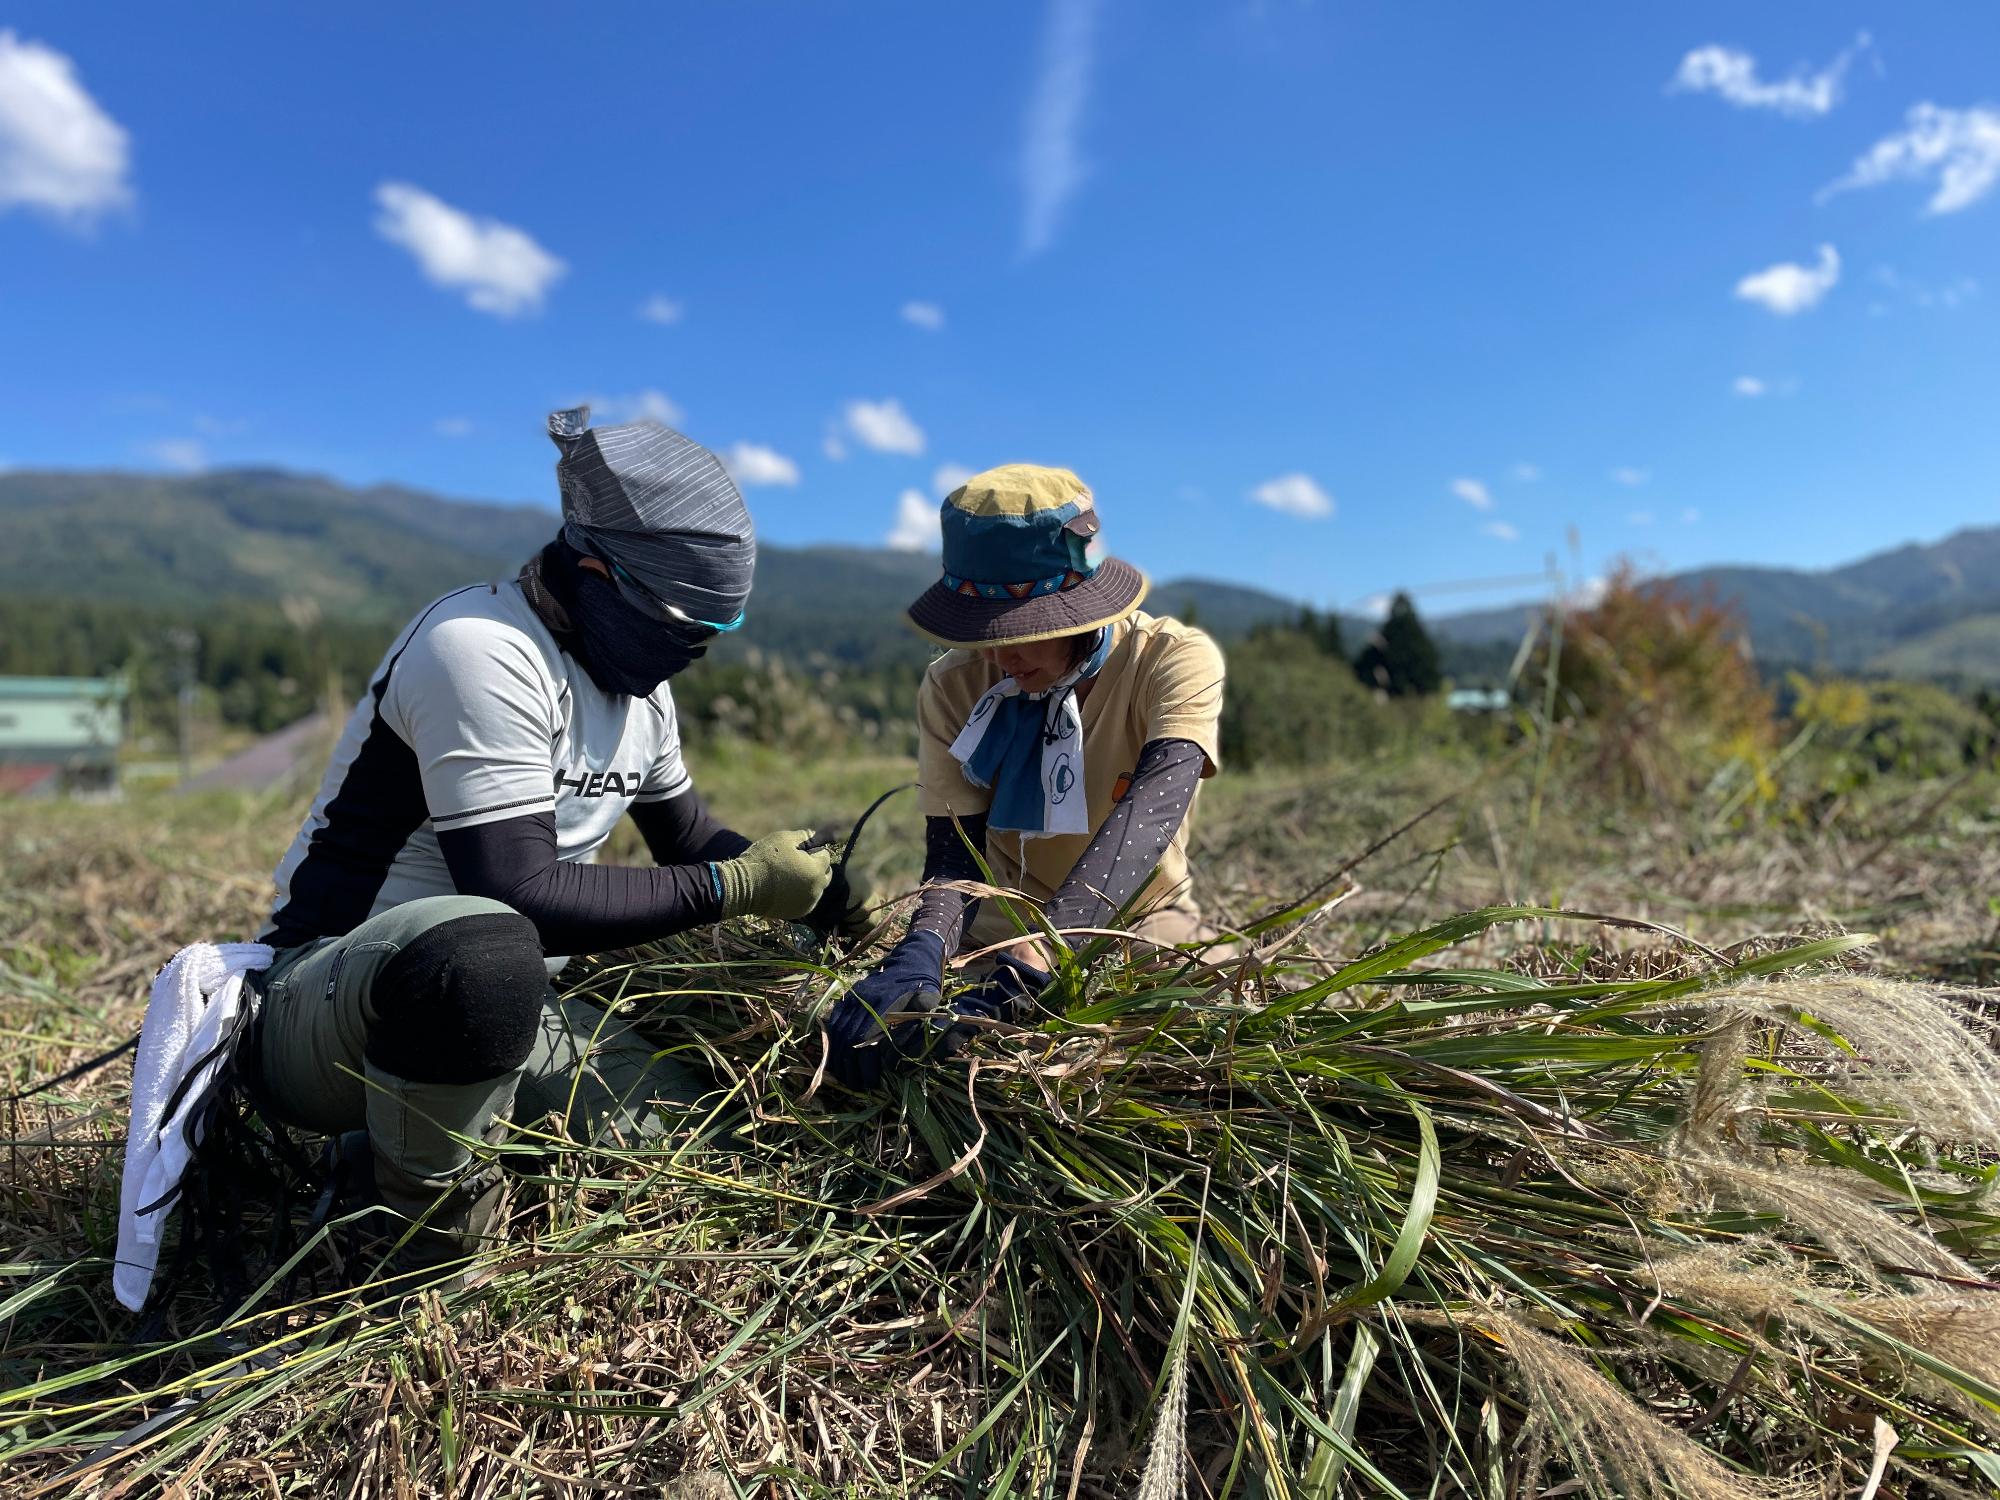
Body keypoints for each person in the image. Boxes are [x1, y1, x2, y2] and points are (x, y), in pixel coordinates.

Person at [252, 408, 867, 1268]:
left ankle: (429, 1131)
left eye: (714, 635)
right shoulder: (482, 648)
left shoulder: (642, 690)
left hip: (509, 1005)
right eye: (681, 625)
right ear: (592, 572)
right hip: (330, 997)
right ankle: (415, 1244)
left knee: (696, 1156)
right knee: (483, 949)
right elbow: (518, 889)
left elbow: (685, 835)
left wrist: (824, 887)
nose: (693, 652)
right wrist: (739, 886)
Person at [823, 464, 1225, 1088]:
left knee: (1210, 1024)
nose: (999, 655)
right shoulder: (955, 685)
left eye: (1026, 631)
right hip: (995, 925)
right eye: (985, 633)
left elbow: (1151, 812)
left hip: (1136, 923)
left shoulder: (1170, 662)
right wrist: (924, 949)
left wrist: (1047, 949)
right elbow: (955, 851)